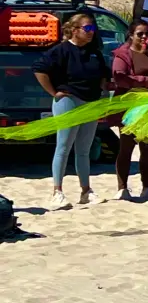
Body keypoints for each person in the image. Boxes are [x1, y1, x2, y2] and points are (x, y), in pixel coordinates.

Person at [32, 12, 110, 210]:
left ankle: (86, 190)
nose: (92, 32)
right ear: (75, 30)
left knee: (84, 149)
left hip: (91, 102)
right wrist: (53, 92)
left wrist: (103, 92)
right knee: (64, 146)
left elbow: (103, 75)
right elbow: (39, 69)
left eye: (93, 28)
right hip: (69, 99)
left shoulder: (94, 52)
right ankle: (57, 191)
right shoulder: (62, 50)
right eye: (88, 28)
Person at [110, 20, 148, 201]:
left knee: (147, 147)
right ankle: (122, 188)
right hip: (129, 105)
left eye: (147, 33)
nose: (144, 37)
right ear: (131, 35)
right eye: (140, 34)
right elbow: (120, 77)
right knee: (126, 146)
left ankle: (147, 187)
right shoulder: (123, 54)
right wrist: (145, 80)